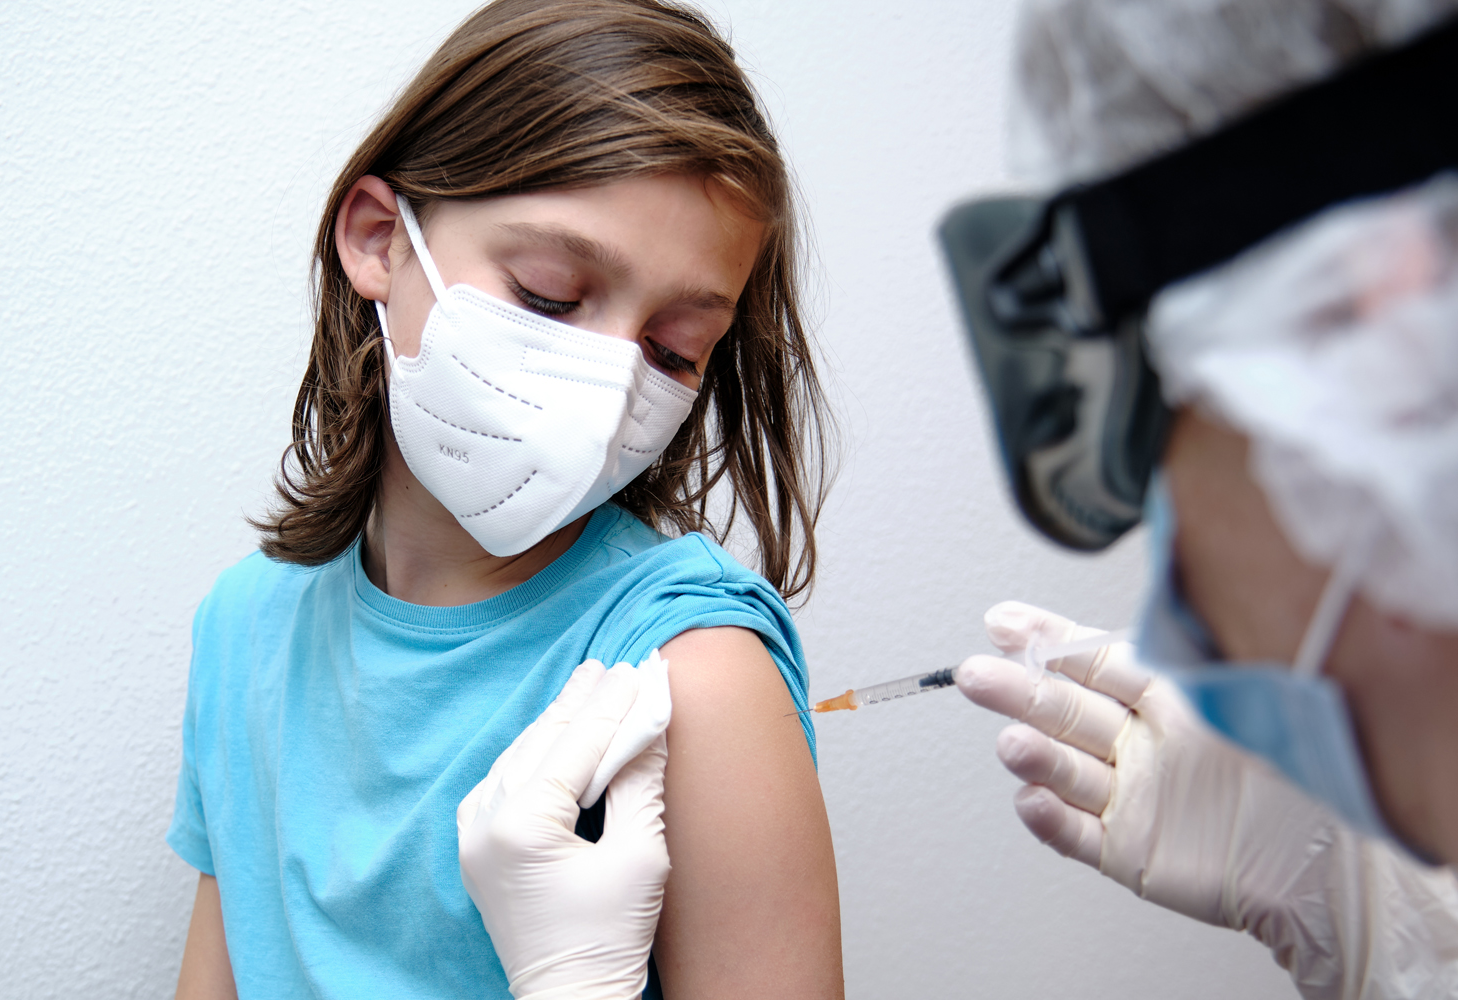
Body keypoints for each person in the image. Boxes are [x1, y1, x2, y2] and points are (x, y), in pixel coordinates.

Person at [459, 0, 1458, 998]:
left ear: (1381, 310)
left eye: (1174, 442)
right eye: (548, 295)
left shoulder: (703, 659)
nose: (1187, 628)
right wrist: (1386, 913)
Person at [165, 2, 844, 997]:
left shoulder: (689, 680)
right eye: (550, 294)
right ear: (379, 241)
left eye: (672, 349)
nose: (610, 391)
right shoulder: (245, 628)